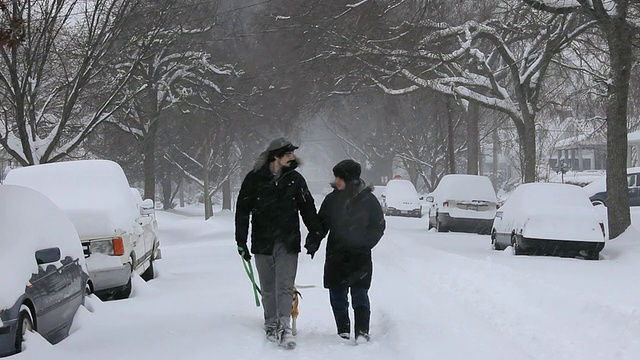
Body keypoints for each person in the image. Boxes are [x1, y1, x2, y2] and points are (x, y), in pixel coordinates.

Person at [235, 137, 321, 350]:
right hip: (262, 241)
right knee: (267, 286)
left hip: (288, 240)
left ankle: (284, 325)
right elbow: (242, 211)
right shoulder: (254, 179)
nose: (292, 157)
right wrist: (241, 240)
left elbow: (308, 208)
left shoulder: (296, 180)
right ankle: (270, 323)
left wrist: (315, 235)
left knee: (284, 285)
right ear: (276, 156)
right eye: (288, 153)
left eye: (292, 153)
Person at [304, 159, 385, 343]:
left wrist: (366, 243)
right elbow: (321, 224)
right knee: (337, 293)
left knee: (360, 293)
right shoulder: (332, 199)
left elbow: (378, 225)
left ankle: (362, 332)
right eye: (336, 177)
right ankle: (343, 331)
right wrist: (313, 241)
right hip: (336, 254)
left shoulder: (368, 200)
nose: (337, 180)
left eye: (340, 177)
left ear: (350, 179)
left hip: (360, 255)